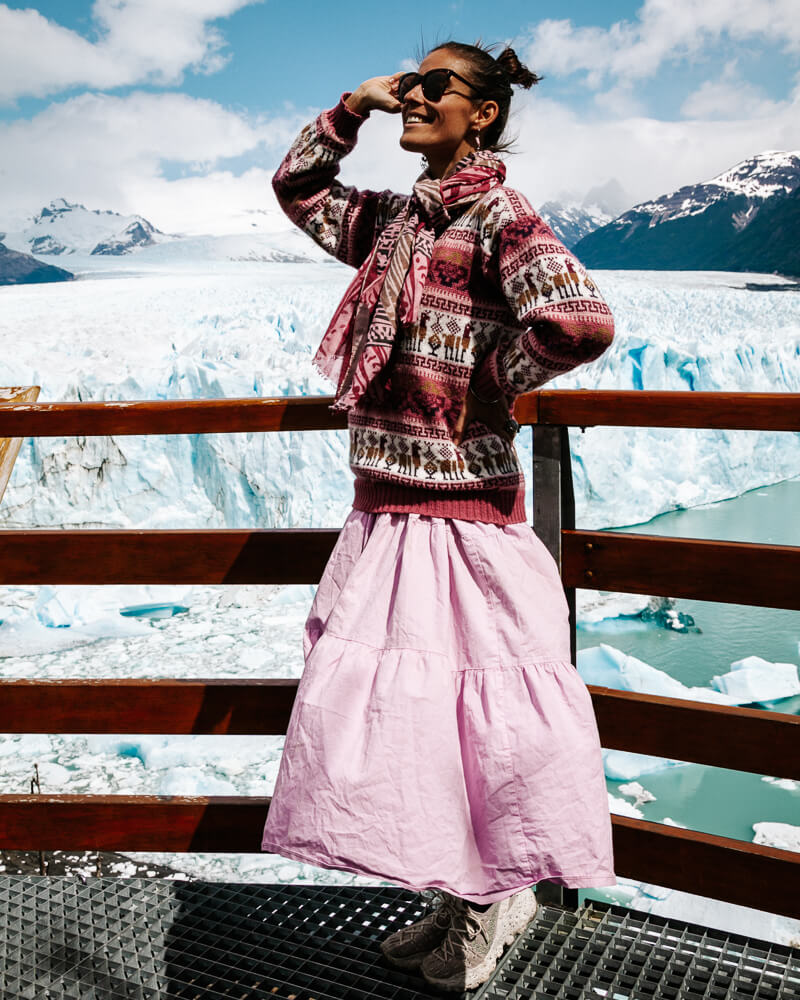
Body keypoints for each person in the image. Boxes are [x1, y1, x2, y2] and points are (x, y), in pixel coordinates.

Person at [261, 40, 617, 993]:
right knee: (422, 722)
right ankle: (456, 899)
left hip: (465, 511)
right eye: (409, 86)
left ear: (485, 114)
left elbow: (579, 319)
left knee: (485, 713)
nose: (415, 99)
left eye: (434, 89)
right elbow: (296, 186)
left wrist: (490, 381)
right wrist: (355, 106)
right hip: (388, 503)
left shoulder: (500, 214)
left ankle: (492, 907)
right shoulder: (392, 222)